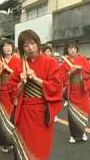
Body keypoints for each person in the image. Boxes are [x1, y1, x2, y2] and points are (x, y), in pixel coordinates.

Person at [13, 29, 63, 160]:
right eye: (25, 45)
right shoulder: (20, 65)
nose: (30, 48)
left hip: (42, 112)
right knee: (23, 145)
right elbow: (12, 91)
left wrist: (36, 79)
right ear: (21, 48)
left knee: (40, 147)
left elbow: (56, 87)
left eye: (32, 43)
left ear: (38, 43)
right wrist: (20, 83)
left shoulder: (50, 62)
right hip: (24, 111)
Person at [0, 39, 21, 153]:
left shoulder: (18, 60)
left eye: (10, 46)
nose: (8, 48)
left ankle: (15, 141)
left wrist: (9, 70)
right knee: (5, 117)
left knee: (16, 117)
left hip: (15, 92)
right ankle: (5, 142)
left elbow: (20, 75)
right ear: (2, 49)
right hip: (3, 91)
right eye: (5, 46)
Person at [60, 43, 90, 143]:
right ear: (67, 50)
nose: (72, 50)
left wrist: (80, 68)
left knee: (84, 111)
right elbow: (62, 77)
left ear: (77, 50)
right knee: (72, 113)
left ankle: (82, 132)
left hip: (82, 90)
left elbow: (89, 71)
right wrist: (70, 72)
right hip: (72, 90)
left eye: (74, 48)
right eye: (70, 48)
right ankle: (73, 134)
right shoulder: (65, 63)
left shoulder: (83, 59)